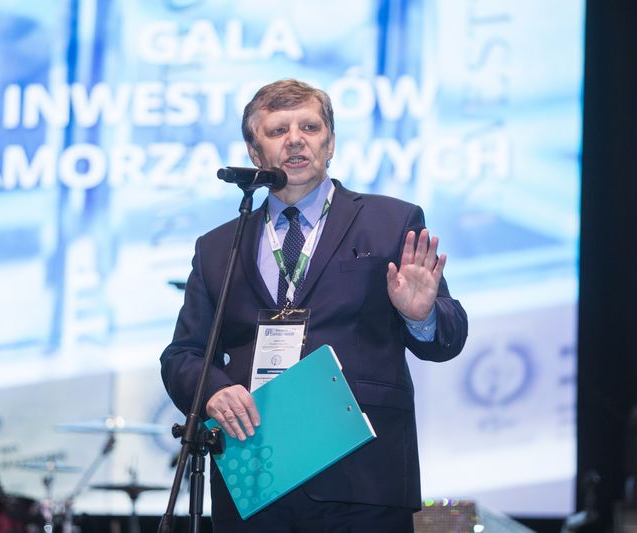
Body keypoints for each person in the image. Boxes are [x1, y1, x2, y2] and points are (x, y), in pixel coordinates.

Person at [160, 79, 468, 532]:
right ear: (254, 152)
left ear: (331, 143)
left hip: (361, 478)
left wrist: (419, 316)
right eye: (277, 131)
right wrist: (212, 392)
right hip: (256, 476)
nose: (295, 140)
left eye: (309, 127)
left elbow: (448, 337)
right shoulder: (218, 246)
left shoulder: (391, 221)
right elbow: (182, 355)